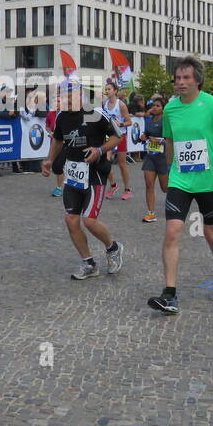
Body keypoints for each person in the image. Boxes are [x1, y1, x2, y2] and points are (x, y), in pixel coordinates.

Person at [147, 56, 213, 314]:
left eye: (186, 78)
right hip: (180, 179)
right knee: (172, 231)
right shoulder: (170, 109)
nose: (180, 82)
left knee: (210, 234)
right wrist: (168, 171)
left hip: (209, 180)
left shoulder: (212, 104)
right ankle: (170, 294)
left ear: (198, 80)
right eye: (177, 78)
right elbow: (169, 141)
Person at [43, 85, 124, 279]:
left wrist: (100, 150)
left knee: (89, 221)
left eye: (70, 98)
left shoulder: (96, 113)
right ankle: (88, 263)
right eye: (64, 98)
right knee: (71, 220)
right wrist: (49, 160)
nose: (66, 101)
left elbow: (117, 136)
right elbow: (57, 140)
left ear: (81, 97)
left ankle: (113, 248)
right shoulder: (62, 116)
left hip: (95, 172)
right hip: (72, 174)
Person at [100, 81, 133, 200]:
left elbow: (130, 121)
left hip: (120, 136)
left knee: (121, 163)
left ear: (115, 91)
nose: (107, 91)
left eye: (109, 89)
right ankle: (113, 185)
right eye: (106, 89)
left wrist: (121, 123)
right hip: (109, 136)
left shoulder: (121, 105)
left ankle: (127, 189)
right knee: (105, 162)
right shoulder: (104, 104)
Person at [139, 97, 169, 223]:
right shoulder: (149, 120)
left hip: (163, 158)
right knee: (149, 185)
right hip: (150, 157)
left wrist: (159, 140)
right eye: (153, 105)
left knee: (165, 188)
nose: (155, 108)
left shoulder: (166, 121)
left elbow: (172, 140)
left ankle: (181, 201)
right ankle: (151, 213)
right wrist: (143, 137)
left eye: (158, 105)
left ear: (163, 108)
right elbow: (146, 134)